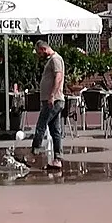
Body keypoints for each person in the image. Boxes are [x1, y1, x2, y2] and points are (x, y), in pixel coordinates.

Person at [29, 40, 66, 171]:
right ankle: (57, 159)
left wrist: (51, 95)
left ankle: (34, 154)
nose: (39, 56)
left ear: (44, 49)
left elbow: (58, 77)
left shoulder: (56, 59)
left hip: (54, 100)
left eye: (39, 53)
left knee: (41, 125)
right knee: (55, 130)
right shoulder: (52, 60)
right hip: (53, 100)